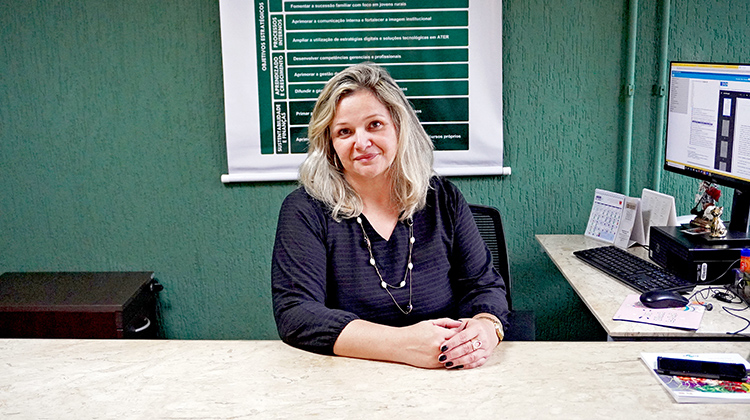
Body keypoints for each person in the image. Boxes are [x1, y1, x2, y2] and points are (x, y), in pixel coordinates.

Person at [272, 62, 509, 370]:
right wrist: (403, 345)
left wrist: (486, 329)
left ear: (399, 127)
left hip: (449, 373)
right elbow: (296, 312)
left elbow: (484, 285)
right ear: (330, 144)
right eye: (344, 132)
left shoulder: (442, 198)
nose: (361, 143)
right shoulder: (306, 209)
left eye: (375, 124)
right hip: (350, 378)